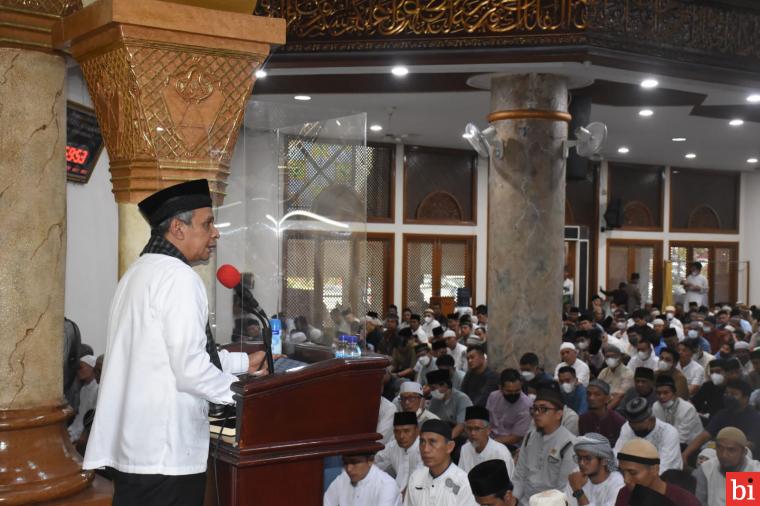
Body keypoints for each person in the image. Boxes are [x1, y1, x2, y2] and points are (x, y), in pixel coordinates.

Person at [82, 179, 267, 505]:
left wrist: (243, 363)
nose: (216, 234)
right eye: (207, 223)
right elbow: (190, 369)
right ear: (178, 228)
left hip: (138, 451)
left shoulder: (138, 273)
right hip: (167, 452)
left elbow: (164, 358)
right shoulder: (180, 279)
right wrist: (243, 398)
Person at [512, 389, 576, 503]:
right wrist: (513, 500)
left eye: (543, 409)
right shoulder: (530, 436)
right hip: (524, 501)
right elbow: (519, 476)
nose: (537, 413)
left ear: (558, 414)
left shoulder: (569, 444)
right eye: (535, 409)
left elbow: (563, 490)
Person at [682, 379, 760, 465]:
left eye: (733, 394)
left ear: (745, 398)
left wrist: (724, 453)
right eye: (726, 393)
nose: (728, 396)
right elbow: (704, 436)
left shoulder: (755, 418)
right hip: (721, 452)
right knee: (704, 456)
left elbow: (749, 445)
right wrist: (685, 454)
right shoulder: (722, 414)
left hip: (746, 458)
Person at [404, 419, 478, 506]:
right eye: (422, 442)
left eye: (432, 442)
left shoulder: (464, 484)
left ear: (450, 447)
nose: (425, 449)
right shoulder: (416, 478)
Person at [614, 439, 700, 505]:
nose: (626, 480)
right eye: (622, 472)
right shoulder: (624, 494)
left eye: (633, 473)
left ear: (654, 469)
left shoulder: (685, 501)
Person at [693, 427, 760, 506]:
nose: (724, 455)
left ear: (744, 452)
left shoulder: (753, 471)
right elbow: (697, 502)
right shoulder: (706, 469)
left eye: (731, 450)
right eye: (720, 448)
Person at [564, 433, 625, 506]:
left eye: (587, 458)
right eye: (579, 458)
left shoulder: (617, 482)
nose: (581, 463)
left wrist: (578, 490)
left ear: (604, 461)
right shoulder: (576, 475)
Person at [324, 453, 402, 506]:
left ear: (370, 461)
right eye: (345, 463)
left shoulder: (387, 486)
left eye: (354, 462)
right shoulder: (343, 478)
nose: (349, 469)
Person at [375, 412, 425, 494]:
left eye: (406, 431)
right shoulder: (393, 446)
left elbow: (419, 483)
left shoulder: (424, 449)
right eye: (397, 431)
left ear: (417, 430)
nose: (401, 436)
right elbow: (375, 461)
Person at [459, 406, 515, 478]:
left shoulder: (501, 453)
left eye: (477, 429)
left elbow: (506, 486)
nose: (472, 433)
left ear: (488, 430)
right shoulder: (465, 448)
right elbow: (461, 479)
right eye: (469, 429)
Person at [651, 375, 702, 449]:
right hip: (666, 444)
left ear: (675, 393)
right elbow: (657, 431)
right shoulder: (656, 406)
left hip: (691, 446)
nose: (661, 396)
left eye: (666, 393)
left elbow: (682, 439)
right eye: (659, 393)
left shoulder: (688, 409)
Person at [486, 369, 533, 447]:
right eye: (509, 391)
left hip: (511, 445)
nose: (513, 394)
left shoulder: (526, 405)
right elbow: (486, 421)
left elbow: (516, 437)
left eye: (517, 390)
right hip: (490, 438)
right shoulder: (493, 397)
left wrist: (490, 444)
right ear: (500, 388)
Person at [427, 369, 473, 440]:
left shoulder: (462, 399)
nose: (432, 391)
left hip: (460, 437)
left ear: (444, 385)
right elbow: (430, 420)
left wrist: (445, 441)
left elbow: (461, 426)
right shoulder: (435, 400)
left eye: (433, 388)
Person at [578, 379, 626, 447]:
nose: (591, 398)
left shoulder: (618, 421)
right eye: (589, 394)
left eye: (597, 394)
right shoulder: (583, 419)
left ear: (607, 398)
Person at [68, 355, 99, 443]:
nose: (78, 371)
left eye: (80, 368)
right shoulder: (84, 389)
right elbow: (81, 415)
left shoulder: (98, 389)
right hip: (79, 430)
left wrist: (82, 434)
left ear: (92, 368)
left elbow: (92, 418)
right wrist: (71, 431)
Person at [597, 345, 633, 410]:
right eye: (607, 356)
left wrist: (605, 411)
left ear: (620, 357)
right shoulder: (604, 372)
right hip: (602, 404)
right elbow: (597, 389)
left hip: (620, 407)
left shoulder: (628, 373)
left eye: (613, 356)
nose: (610, 358)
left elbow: (620, 396)